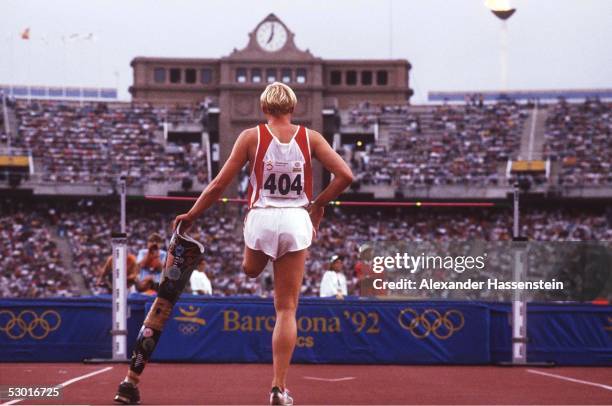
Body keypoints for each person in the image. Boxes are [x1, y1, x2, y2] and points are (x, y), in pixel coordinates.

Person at [172, 82, 353, 405]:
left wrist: (193, 213)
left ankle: (254, 257)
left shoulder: (251, 137)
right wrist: (318, 204)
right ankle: (278, 388)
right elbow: (345, 175)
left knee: (251, 270)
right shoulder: (310, 138)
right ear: (293, 109)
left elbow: (217, 185)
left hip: (262, 216)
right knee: (286, 308)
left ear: (263, 109)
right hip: (297, 218)